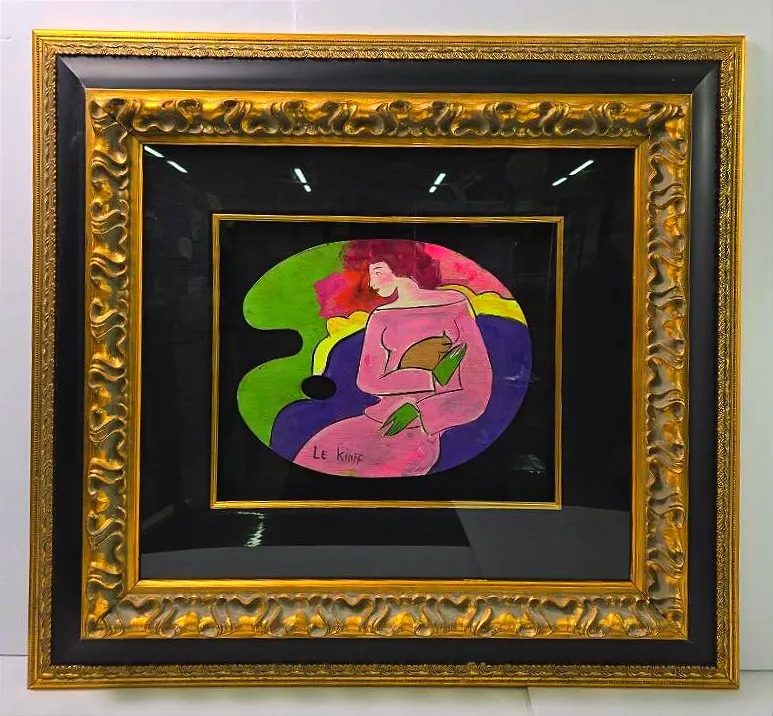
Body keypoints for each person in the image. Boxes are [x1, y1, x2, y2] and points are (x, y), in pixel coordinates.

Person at [293, 240, 493, 478]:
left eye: (378, 272)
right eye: (369, 275)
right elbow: (368, 380)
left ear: (400, 266)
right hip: (377, 420)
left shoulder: (454, 306)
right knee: (315, 453)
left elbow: (476, 392)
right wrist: (429, 377)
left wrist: (419, 413)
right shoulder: (381, 317)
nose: (372, 283)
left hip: (416, 436)